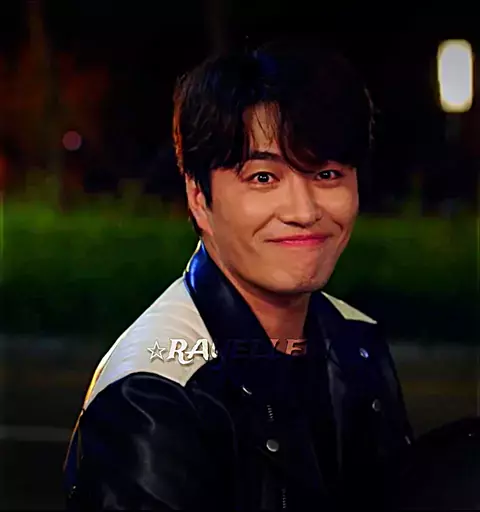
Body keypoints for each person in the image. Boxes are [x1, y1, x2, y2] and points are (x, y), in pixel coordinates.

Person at [63, 38, 413, 511]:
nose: (304, 211)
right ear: (198, 198)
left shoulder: (358, 341)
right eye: (263, 178)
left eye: (327, 174)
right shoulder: (152, 393)